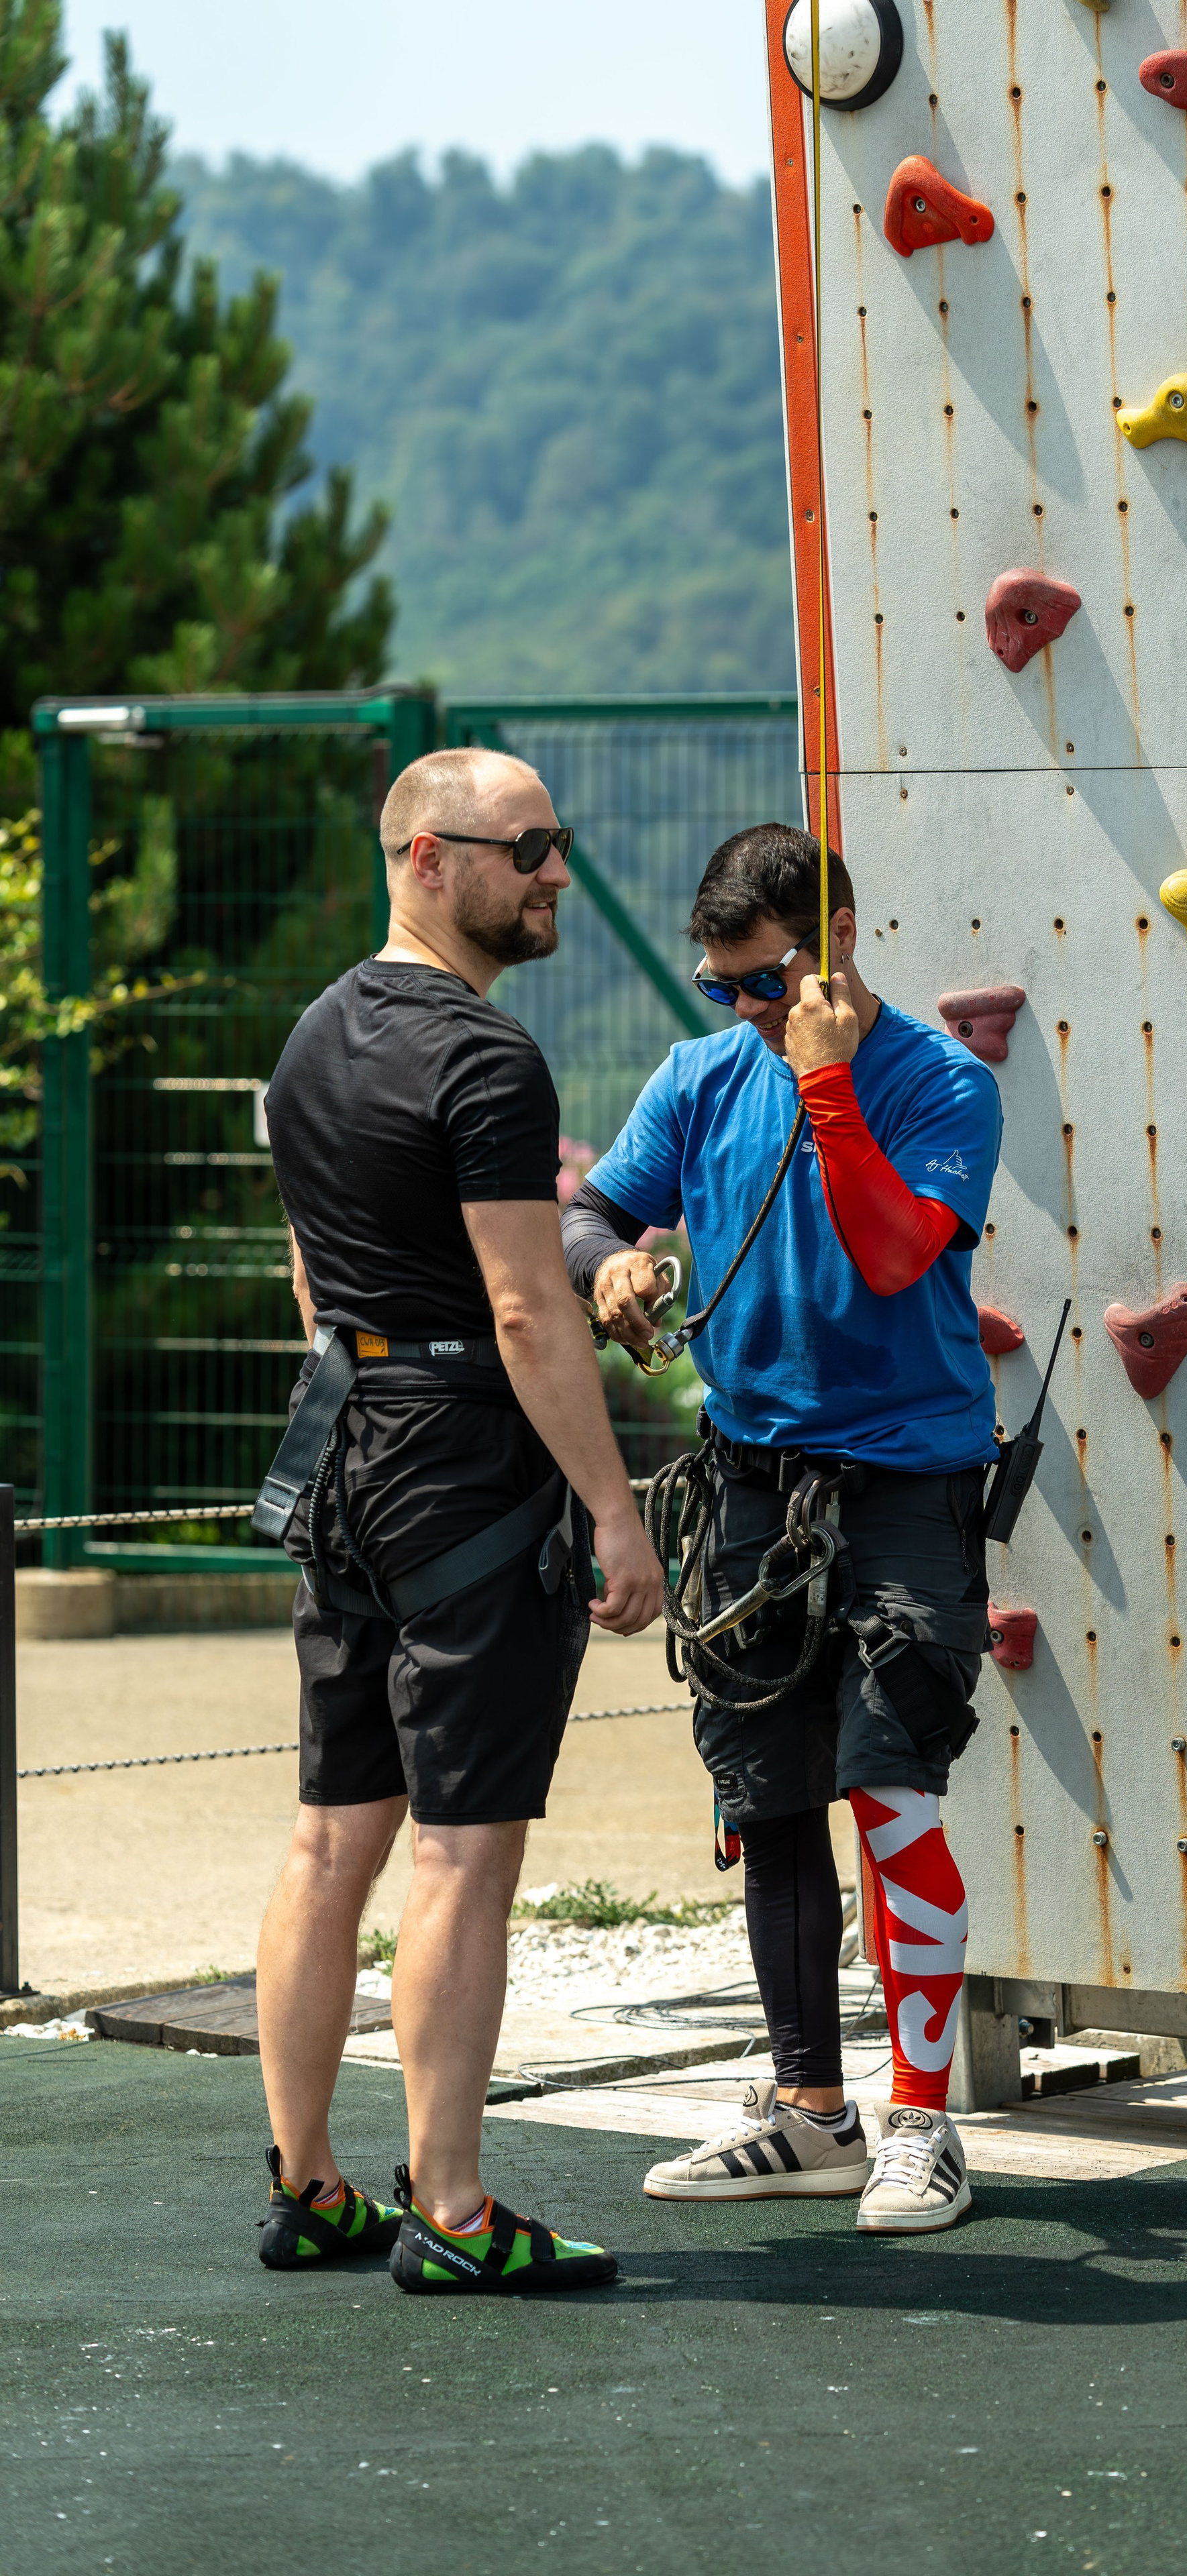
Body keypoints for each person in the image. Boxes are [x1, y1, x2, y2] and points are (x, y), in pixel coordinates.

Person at [253, 745, 663, 2296]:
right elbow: (525, 1306)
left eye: (557, 843)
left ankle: (311, 2187)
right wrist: (613, 1510)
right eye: (527, 847)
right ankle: (455, 2212)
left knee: (330, 1836)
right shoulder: (486, 1060)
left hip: (343, 1441)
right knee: (461, 1853)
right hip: (461, 1466)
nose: (554, 872)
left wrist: (366, 1384)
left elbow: (313, 1273)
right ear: (429, 858)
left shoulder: (311, 1040)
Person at [560, 822, 1000, 2233]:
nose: (744, 1007)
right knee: (766, 1796)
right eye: (721, 985)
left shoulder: (942, 1082)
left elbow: (891, 1252)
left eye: (763, 981)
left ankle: (922, 2120)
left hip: (906, 1481)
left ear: (837, 942)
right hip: (751, 1484)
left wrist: (823, 1083)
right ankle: (812, 2110)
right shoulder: (698, 1078)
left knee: (892, 1783)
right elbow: (588, 1214)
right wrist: (610, 1267)